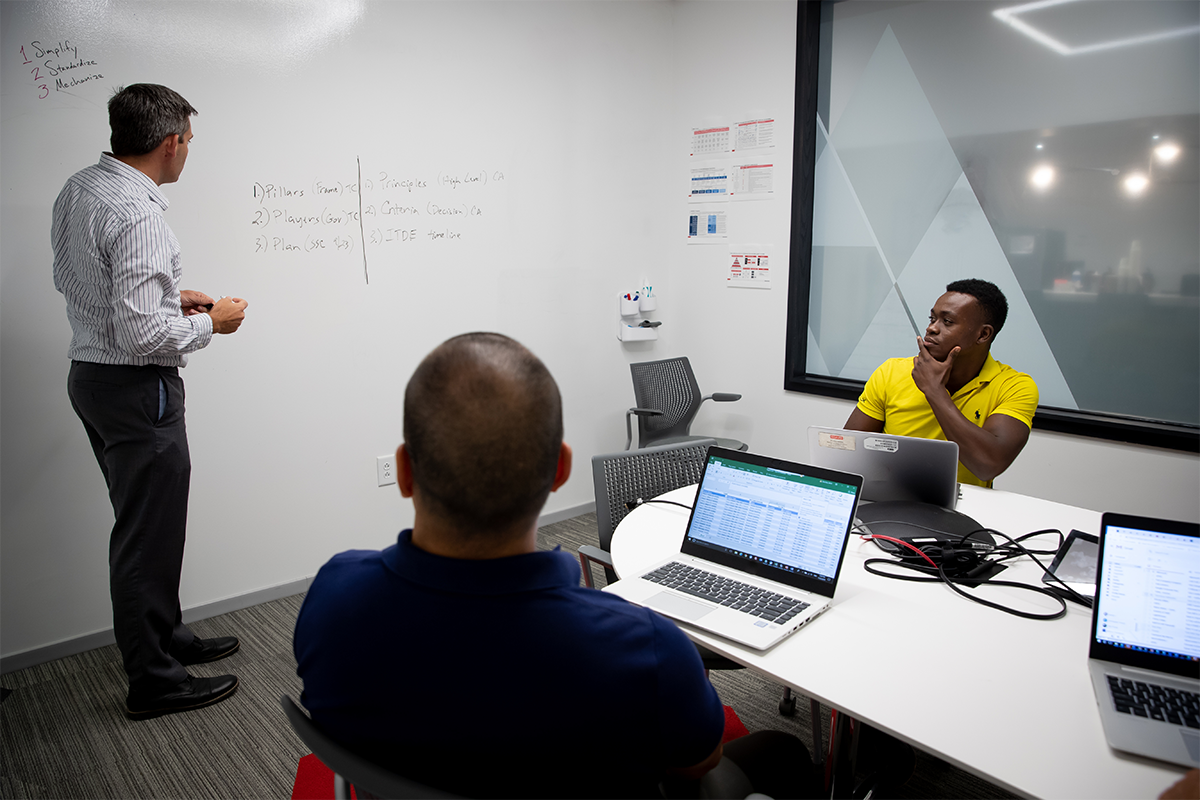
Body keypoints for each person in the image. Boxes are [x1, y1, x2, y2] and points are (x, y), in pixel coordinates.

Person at [293, 332, 818, 800]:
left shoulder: (332, 595)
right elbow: (698, 764)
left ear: (405, 471)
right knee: (781, 753)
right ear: (561, 470)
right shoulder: (646, 647)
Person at [52, 83, 249, 719]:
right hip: (139, 389)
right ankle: (155, 681)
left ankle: (166, 637)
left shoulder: (82, 187)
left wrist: (174, 297)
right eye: (189, 141)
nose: (189, 151)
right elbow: (141, 334)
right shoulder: (140, 213)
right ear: (170, 144)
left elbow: (88, 282)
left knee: (148, 528)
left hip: (95, 377)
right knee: (146, 537)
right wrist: (210, 323)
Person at [844, 278, 1038, 487]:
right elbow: (847, 455)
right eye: (932, 318)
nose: (931, 329)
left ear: (983, 334)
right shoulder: (891, 371)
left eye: (947, 322)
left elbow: (988, 465)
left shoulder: (1015, 386)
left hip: (962, 512)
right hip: (890, 502)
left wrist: (935, 391)